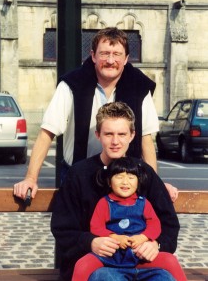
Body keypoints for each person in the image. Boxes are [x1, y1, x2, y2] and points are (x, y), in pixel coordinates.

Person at [13, 27, 178, 202]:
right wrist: (31, 178)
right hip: (78, 177)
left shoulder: (139, 86)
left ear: (126, 59)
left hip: (125, 179)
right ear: (93, 56)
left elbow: (146, 139)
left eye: (117, 54)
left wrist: (155, 185)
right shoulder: (71, 85)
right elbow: (47, 133)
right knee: (76, 228)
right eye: (104, 53)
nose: (110, 60)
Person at [51, 102, 180, 280]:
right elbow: (62, 227)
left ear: (132, 135)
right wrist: (91, 242)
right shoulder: (79, 174)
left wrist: (156, 245)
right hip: (102, 262)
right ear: (98, 135)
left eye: (122, 134)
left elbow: (169, 223)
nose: (115, 141)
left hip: (142, 263)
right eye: (108, 134)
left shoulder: (145, 173)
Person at [72, 157, 186, 281]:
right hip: (112, 255)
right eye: (119, 177)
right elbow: (96, 226)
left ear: (138, 182)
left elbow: (155, 224)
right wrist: (115, 237)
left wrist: (144, 237)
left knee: (170, 260)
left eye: (131, 177)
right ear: (109, 182)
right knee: (83, 264)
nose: (125, 182)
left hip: (139, 255)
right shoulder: (104, 203)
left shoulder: (144, 203)